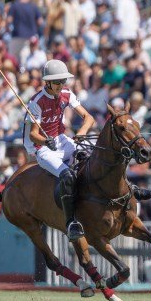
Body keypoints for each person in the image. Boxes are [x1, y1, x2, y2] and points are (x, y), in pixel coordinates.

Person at [23, 60, 95, 241]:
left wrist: (82, 132)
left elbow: (88, 117)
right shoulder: (36, 102)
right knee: (68, 176)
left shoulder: (66, 94)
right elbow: (33, 135)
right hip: (43, 149)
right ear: (47, 82)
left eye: (63, 81)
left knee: (90, 156)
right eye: (57, 82)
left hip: (62, 139)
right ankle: (71, 223)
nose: (61, 85)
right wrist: (45, 141)